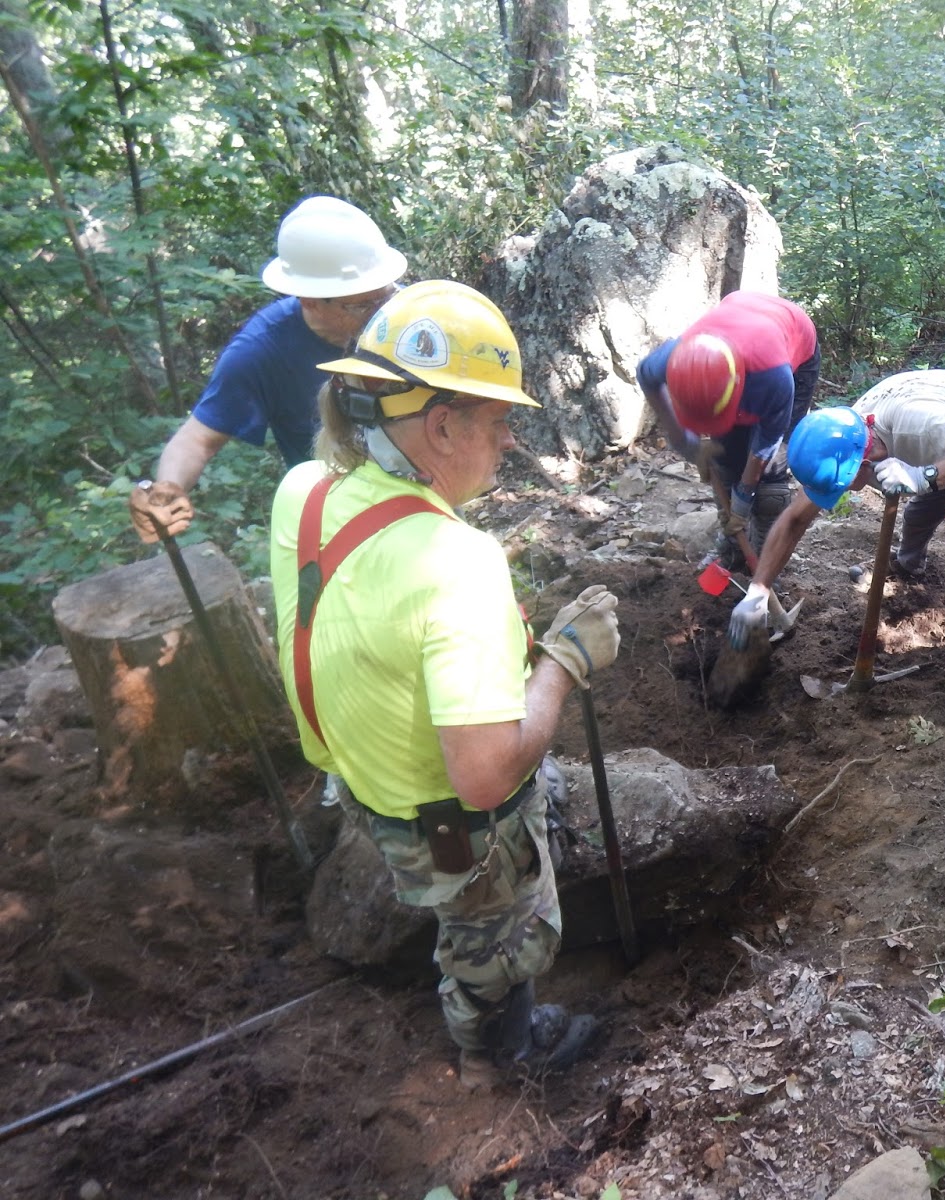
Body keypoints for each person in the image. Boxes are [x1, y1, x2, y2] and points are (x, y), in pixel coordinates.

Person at [268, 280, 621, 1090]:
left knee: (482, 896)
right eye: (498, 423)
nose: (506, 442)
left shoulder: (304, 490)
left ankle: (492, 1025)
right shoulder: (455, 562)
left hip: (363, 785)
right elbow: (487, 773)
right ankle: (494, 1060)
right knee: (497, 941)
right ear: (440, 424)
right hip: (449, 824)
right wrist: (565, 661)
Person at [726, 369, 945, 735]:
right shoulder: (842, 438)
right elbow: (794, 519)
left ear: (865, 459)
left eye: (848, 483)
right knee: (920, 511)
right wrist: (758, 591)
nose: (851, 492)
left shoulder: (917, 427)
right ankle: (906, 567)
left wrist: (925, 476)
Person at [130, 196, 407, 543]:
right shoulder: (263, 351)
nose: (382, 311)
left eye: (386, 295)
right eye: (363, 304)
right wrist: (167, 491)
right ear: (309, 299)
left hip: (425, 494)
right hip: (342, 522)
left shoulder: (408, 313)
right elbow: (197, 439)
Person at [635, 290, 820, 561]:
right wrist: (683, 440)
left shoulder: (774, 379)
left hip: (793, 343)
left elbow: (764, 449)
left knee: (770, 473)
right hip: (740, 331)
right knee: (726, 460)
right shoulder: (673, 359)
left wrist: (743, 499)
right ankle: (733, 550)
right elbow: (645, 375)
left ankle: (765, 558)